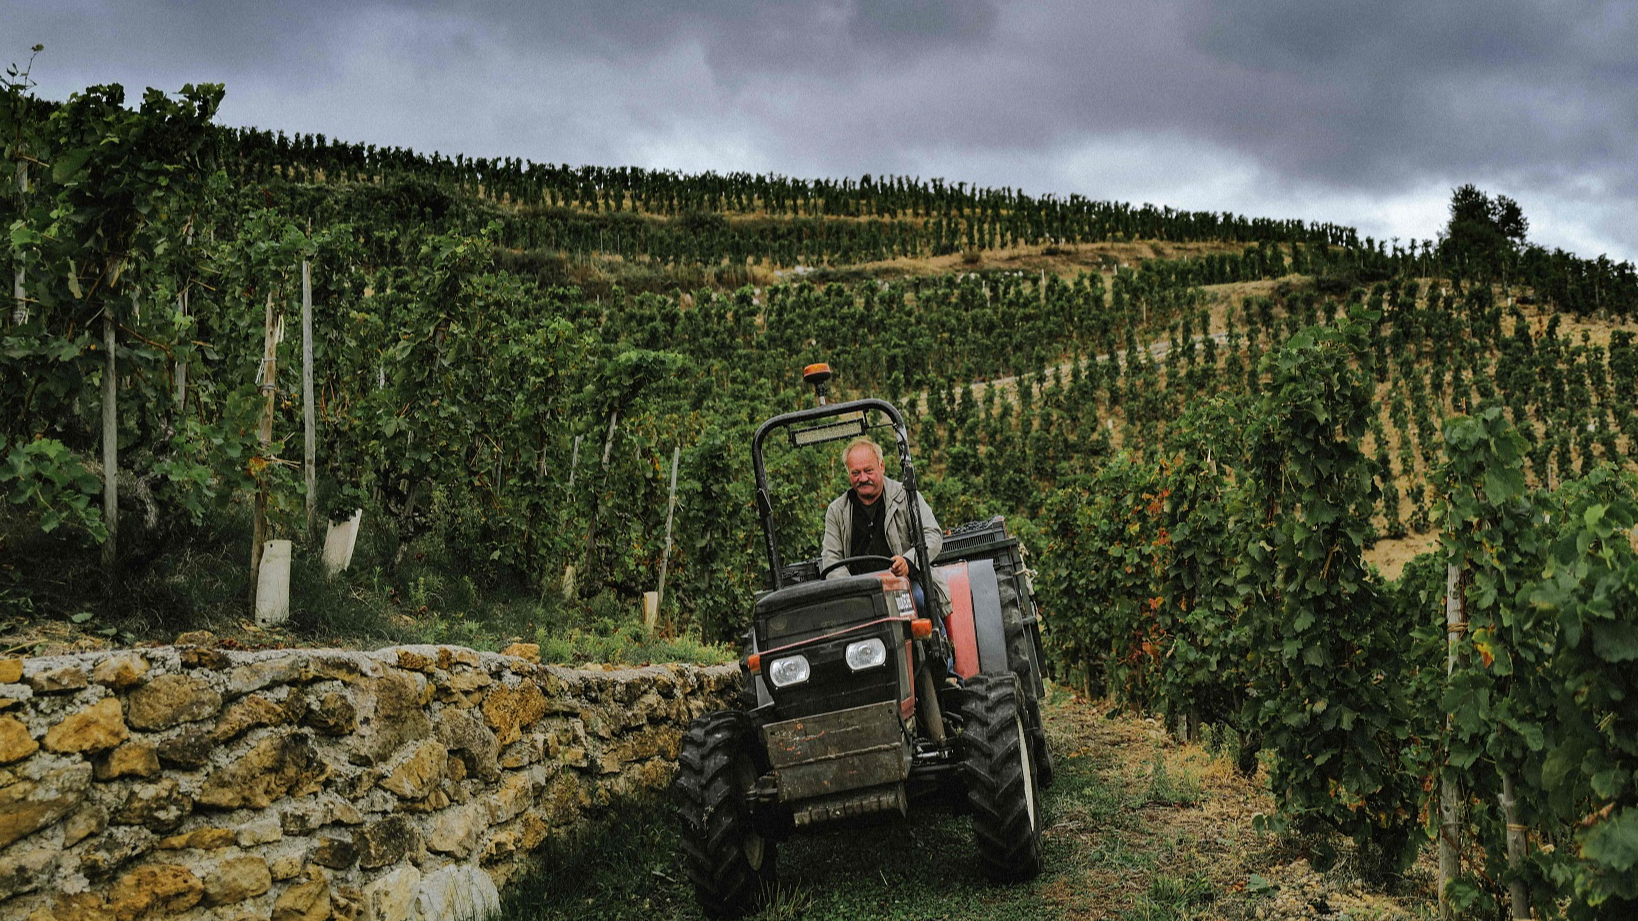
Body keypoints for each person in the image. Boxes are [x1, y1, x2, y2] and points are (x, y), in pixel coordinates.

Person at [820, 437, 950, 616]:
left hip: (904, 584)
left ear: (882, 466)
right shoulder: (837, 511)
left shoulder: (905, 497)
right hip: (859, 592)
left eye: (868, 470)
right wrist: (853, 591)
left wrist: (908, 562)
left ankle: (939, 641)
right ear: (848, 473)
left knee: (921, 601)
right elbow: (831, 558)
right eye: (856, 473)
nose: (863, 478)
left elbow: (932, 535)